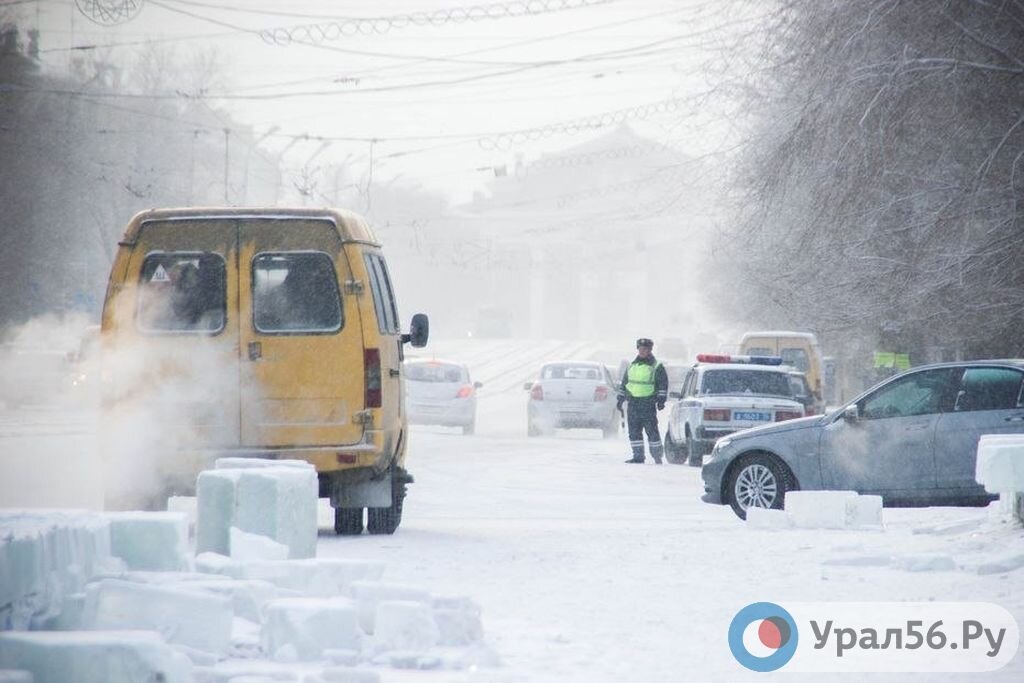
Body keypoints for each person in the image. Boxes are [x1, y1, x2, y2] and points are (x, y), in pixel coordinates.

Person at [617, 337, 669, 464]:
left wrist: (661, 400)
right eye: (640, 348)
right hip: (633, 403)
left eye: (645, 349)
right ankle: (638, 456)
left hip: (647, 403)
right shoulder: (632, 365)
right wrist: (620, 398)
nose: (642, 351)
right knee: (634, 431)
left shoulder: (656, 366)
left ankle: (657, 456)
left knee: (651, 431)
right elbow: (625, 383)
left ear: (650, 350)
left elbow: (663, 384)